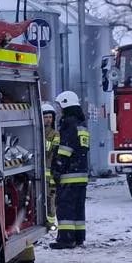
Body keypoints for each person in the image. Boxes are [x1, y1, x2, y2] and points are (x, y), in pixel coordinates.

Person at [49, 90, 90, 249]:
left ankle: (66, 239)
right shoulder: (81, 125)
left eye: (60, 107)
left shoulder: (68, 124)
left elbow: (65, 149)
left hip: (69, 175)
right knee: (78, 208)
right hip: (81, 174)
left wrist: (58, 167)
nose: (59, 111)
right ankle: (79, 237)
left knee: (65, 206)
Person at [41, 100, 59, 232]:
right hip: (39, 173)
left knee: (51, 198)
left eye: (50, 117)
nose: (48, 120)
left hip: (50, 172)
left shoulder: (55, 134)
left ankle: (51, 222)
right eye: (45, 117)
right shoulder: (37, 132)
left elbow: (52, 150)